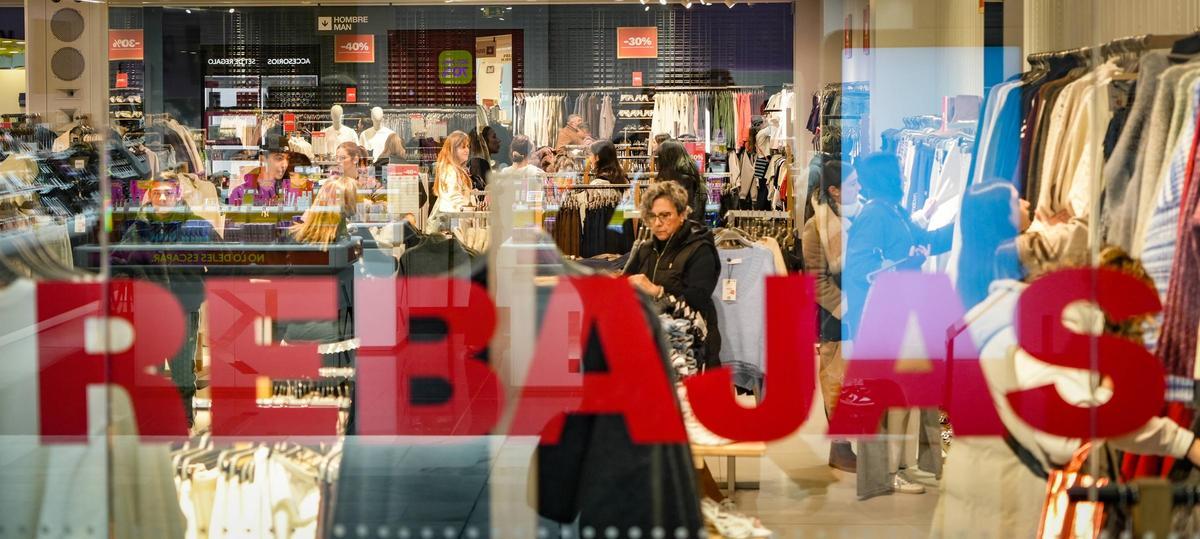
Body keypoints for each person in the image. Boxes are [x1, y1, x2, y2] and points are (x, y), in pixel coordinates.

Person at [929, 245, 1200, 536]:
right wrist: (1112, 390)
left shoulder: (1015, 310)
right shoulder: (1060, 332)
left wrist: (1181, 443)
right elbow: (1065, 435)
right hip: (1007, 505)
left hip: (975, 493)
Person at [843, 152, 954, 497]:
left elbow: (930, 240)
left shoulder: (893, 210)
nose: (906, 177)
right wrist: (905, 260)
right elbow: (860, 268)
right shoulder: (875, 213)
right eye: (900, 173)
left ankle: (900, 465)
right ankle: (887, 471)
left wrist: (964, 220)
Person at [623, 181, 728, 506]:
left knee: (684, 433)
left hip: (692, 350)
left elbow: (697, 301)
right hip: (653, 351)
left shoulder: (701, 250)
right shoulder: (647, 246)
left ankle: (701, 499)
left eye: (666, 216)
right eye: (653, 216)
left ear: (683, 214)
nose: (658, 223)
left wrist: (656, 292)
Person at [117, 173, 216, 429]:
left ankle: (183, 420)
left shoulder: (197, 227)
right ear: (150, 194)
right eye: (157, 192)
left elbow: (225, 261)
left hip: (183, 310)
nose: (162, 198)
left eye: (168, 192)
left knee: (183, 372)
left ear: (178, 194)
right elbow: (118, 266)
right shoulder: (137, 230)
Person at [800, 159, 861, 473]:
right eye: (852, 185)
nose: (859, 189)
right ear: (834, 191)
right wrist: (847, 307)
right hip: (834, 317)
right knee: (835, 380)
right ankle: (840, 448)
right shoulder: (817, 227)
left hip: (858, 312)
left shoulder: (857, 218)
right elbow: (817, 280)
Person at [955, 182, 1030, 310]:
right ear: (1003, 219)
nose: (1026, 203)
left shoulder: (974, 271)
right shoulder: (1014, 268)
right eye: (1017, 202)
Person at [427, 130, 473, 233]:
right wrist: (467, 213)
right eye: (463, 147)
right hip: (452, 219)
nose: (467, 150)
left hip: (452, 218)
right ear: (453, 149)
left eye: (467, 146)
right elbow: (453, 196)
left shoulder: (452, 168)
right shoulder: (450, 170)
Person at [655, 140, 706, 222]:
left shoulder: (681, 180)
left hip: (684, 230)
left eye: (660, 157)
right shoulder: (691, 175)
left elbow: (682, 211)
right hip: (692, 228)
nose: (657, 162)